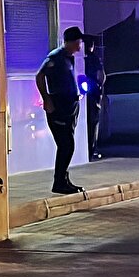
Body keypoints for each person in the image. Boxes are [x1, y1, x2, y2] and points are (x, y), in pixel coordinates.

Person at [36, 26, 85, 195]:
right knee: (66, 145)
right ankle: (59, 182)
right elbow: (40, 76)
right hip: (59, 108)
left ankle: (64, 179)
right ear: (70, 42)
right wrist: (47, 99)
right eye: (78, 42)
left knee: (68, 145)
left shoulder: (68, 57)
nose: (80, 46)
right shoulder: (56, 57)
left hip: (69, 107)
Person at [83, 34, 106, 161]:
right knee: (93, 123)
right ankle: (91, 151)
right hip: (93, 94)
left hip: (81, 95)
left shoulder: (77, 58)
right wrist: (100, 89)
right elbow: (101, 76)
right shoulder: (94, 58)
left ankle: (85, 151)